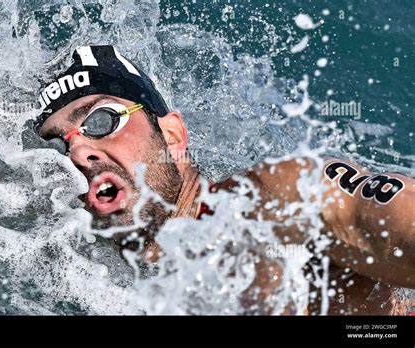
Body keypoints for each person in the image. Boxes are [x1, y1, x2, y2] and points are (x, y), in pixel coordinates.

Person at [29, 45, 414, 315]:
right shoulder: (84, 278)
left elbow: (383, 216)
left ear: (174, 137)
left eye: (102, 120)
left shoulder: (277, 203)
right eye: (59, 148)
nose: (78, 153)